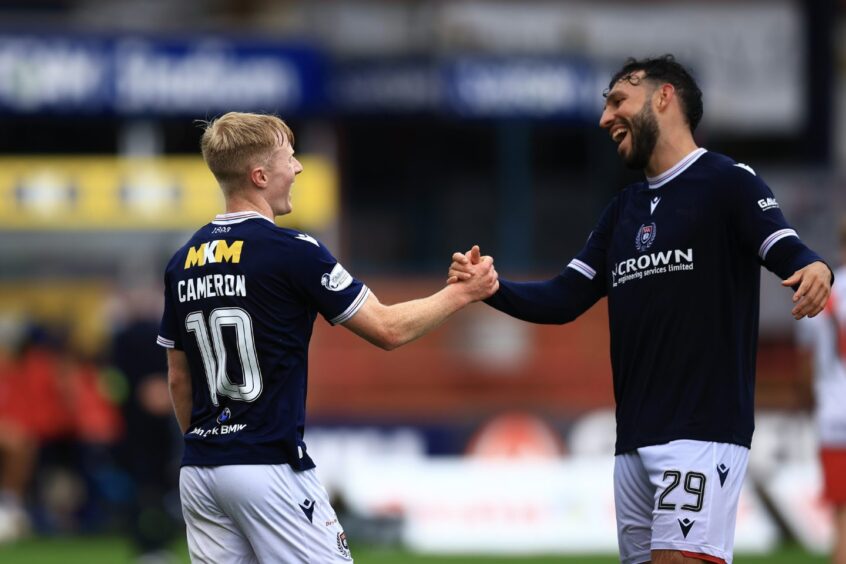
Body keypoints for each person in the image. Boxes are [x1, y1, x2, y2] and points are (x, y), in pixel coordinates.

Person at [448, 55, 833, 564]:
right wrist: (491, 289)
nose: (605, 118)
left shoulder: (727, 182)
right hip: (632, 440)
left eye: (616, 101)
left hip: (702, 432)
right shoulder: (622, 210)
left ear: (664, 97)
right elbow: (564, 297)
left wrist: (814, 267)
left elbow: (784, 247)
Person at [156, 111, 498, 563]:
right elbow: (388, 328)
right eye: (290, 158)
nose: (297, 168)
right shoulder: (293, 251)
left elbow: (179, 380)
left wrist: (209, 446)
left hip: (201, 471)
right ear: (260, 176)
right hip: (267, 464)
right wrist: (463, 293)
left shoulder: (183, 261)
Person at [796, 217, 846, 564]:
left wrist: (811, 397)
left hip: (832, 417)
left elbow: (805, 362)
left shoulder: (824, 290)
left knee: (842, 523)